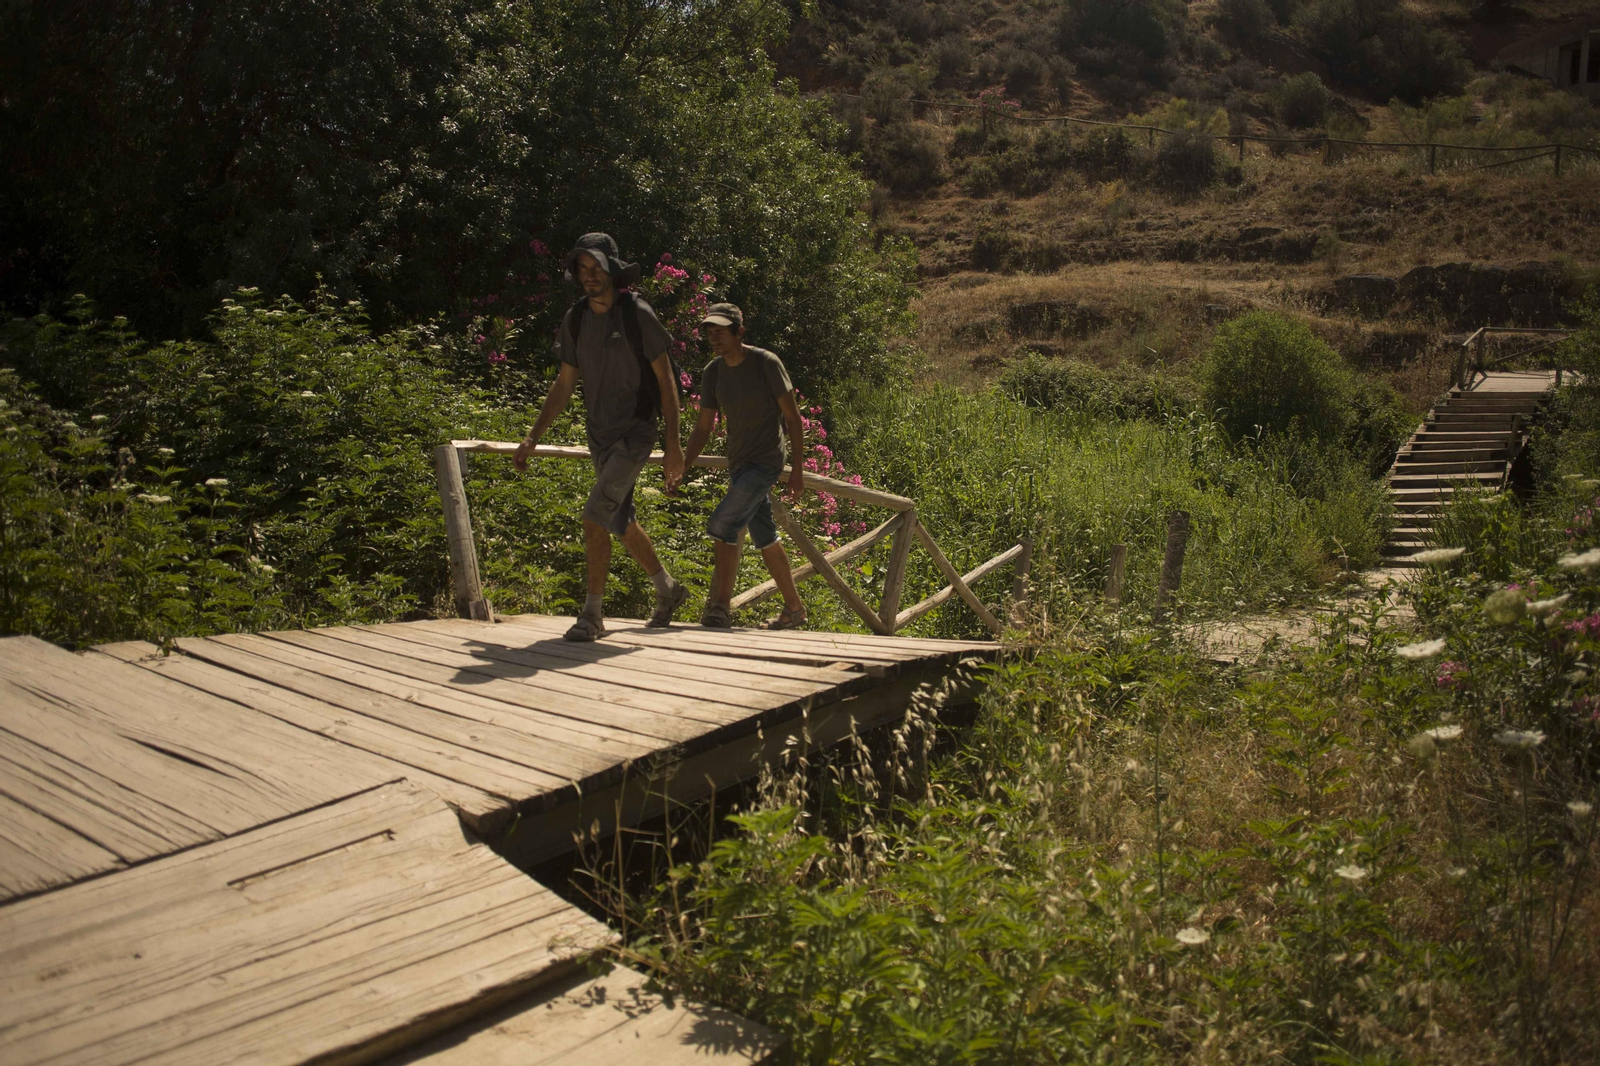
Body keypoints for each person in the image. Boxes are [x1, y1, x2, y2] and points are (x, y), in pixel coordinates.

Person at [513, 233, 687, 640]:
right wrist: (532, 436)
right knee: (620, 521)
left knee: (594, 516)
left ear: (612, 269)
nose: (589, 275)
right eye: (582, 268)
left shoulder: (636, 314)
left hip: (636, 432)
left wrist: (673, 444)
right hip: (600, 435)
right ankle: (668, 589)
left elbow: (667, 382)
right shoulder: (575, 319)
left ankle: (592, 615)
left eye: (596, 267)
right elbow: (564, 383)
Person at [679, 302, 808, 629]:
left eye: (721, 332)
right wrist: (682, 467)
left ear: (739, 332)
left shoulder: (766, 363)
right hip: (739, 463)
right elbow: (703, 428)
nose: (714, 338)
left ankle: (720, 608)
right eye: (710, 333)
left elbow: (793, 418)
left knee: (723, 524)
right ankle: (794, 609)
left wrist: (797, 471)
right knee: (765, 536)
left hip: (766, 461)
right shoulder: (714, 372)